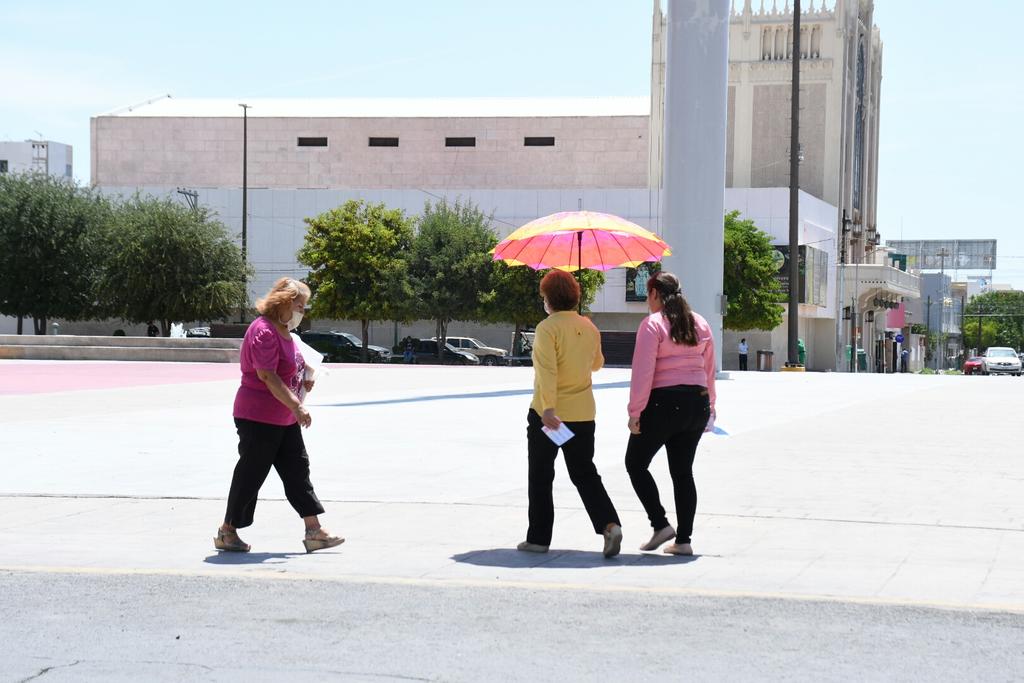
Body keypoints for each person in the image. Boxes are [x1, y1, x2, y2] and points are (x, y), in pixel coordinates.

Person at [214, 277, 343, 554]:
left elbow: (289, 368)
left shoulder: (283, 330)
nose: (302, 312)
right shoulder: (263, 331)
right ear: (284, 302)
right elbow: (266, 375)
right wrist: (296, 405)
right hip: (258, 415)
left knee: (298, 471)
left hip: (283, 416)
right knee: (251, 474)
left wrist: (304, 380)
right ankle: (227, 531)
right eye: (300, 306)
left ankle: (314, 530)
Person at [518, 270, 623, 558]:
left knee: (541, 475)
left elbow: (547, 370)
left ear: (549, 299)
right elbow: (598, 364)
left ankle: (538, 538)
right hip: (584, 413)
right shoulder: (589, 327)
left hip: (549, 416)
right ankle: (609, 524)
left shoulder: (546, 328)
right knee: (585, 473)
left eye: (543, 297)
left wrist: (549, 407)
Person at [624, 272, 716, 556]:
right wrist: (711, 409)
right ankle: (684, 540)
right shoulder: (699, 322)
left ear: (654, 294)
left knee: (635, 463)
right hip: (697, 404)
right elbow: (709, 370)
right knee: (682, 472)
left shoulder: (652, 324)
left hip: (664, 404)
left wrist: (635, 411)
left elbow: (643, 373)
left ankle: (660, 523)